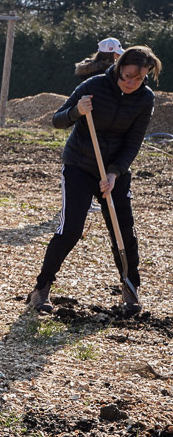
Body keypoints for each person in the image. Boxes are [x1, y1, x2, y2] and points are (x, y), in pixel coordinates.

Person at [28, 46, 161, 315]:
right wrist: (77, 110)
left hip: (114, 171)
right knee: (71, 229)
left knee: (124, 231)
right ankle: (41, 289)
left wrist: (114, 172)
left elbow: (133, 142)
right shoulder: (94, 86)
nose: (131, 83)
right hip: (79, 165)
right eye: (127, 76)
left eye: (139, 78)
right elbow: (57, 121)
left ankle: (130, 288)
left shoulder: (145, 99)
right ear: (119, 67)